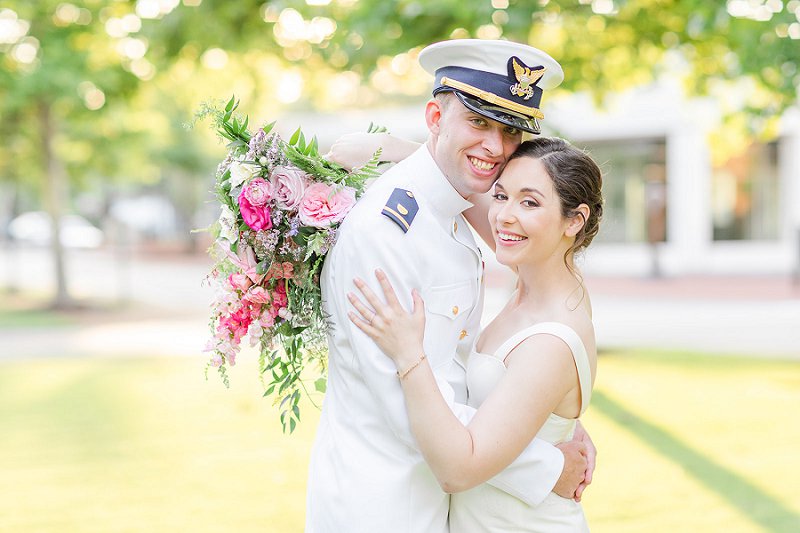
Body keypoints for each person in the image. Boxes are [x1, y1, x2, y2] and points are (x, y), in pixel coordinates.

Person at [306, 39, 594, 533]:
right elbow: (401, 404)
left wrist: (544, 410)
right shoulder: (387, 233)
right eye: (478, 122)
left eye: (509, 131)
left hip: (443, 504)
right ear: (434, 118)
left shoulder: (461, 209)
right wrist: (549, 464)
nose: (495, 147)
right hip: (382, 507)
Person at [348, 137, 603, 531]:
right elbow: (461, 187)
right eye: (501, 196)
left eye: (530, 202)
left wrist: (408, 354)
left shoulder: (551, 339)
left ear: (574, 220)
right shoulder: (544, 274)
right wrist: (395, 146)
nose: (504, 216)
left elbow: (458, 470)